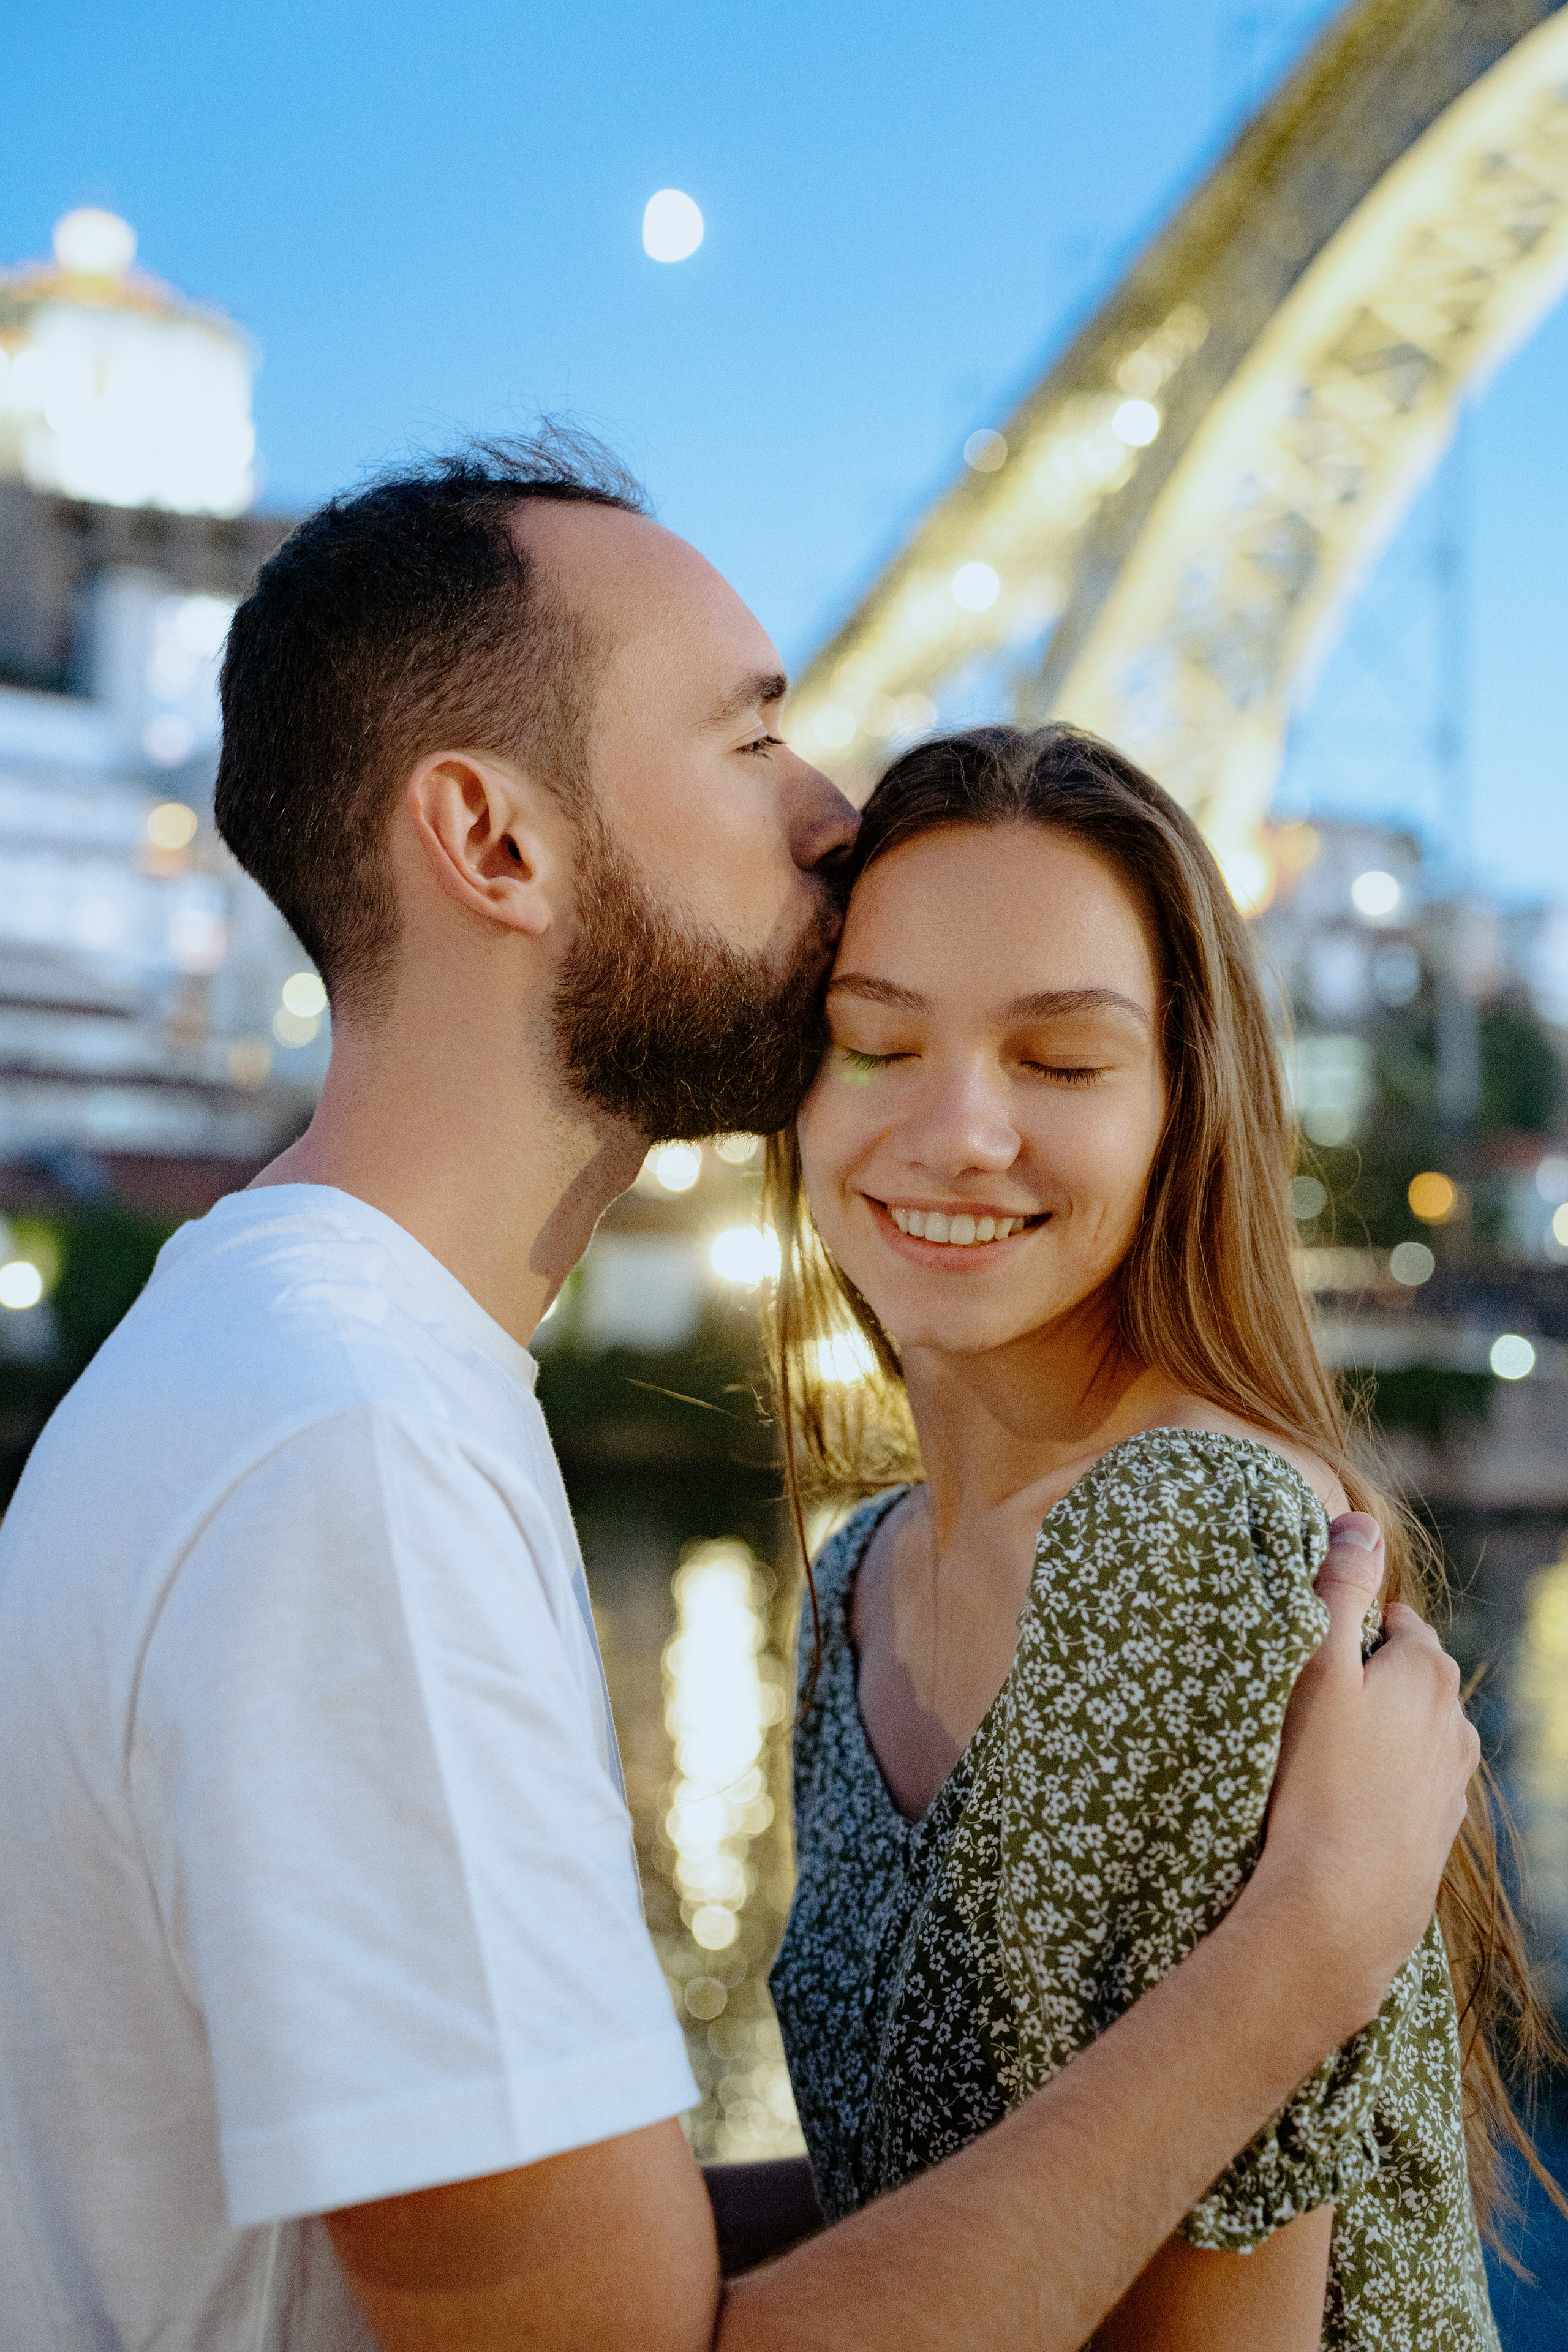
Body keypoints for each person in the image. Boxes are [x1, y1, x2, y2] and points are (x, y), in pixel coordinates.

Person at [0, 437, 1479, 2352]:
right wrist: (1302, 1954)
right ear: (494, 843)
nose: (831, 811)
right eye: (752, 737)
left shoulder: (265, 1367)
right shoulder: (350, 1451)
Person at [766, 723, 1557, 2350]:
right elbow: (900, 2195)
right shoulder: (857, 1580)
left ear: (1184, 1106)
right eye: (873, 1041)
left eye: (1060, 1062)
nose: (958, 1130)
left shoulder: (1188, 1540)